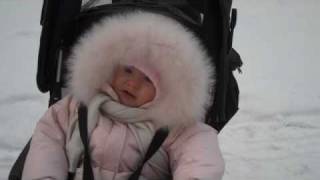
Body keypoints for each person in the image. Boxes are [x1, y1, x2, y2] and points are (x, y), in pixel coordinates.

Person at [22, 11, 225, 180]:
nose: (132, 83)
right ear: (111, 66)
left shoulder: (174, 127)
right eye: (127, 70)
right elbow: (48, 142)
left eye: (147, 79)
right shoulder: (77, 107)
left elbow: (199, 156)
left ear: (165, 89)